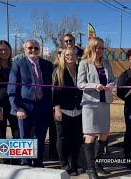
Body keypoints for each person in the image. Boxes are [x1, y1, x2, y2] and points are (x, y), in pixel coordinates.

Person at [8, 39, 53, 167]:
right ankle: (25, 163)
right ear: (25, 49)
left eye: (36, 48)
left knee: (41, 137)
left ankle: (38, 163)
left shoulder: (47, 65)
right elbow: (11, 89)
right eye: (30, 48)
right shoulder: (18, 64)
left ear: (39, 49)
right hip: (25, 108)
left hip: (43, 107)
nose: (33, 50)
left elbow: (51, 88)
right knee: (25, 137)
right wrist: (17, 108)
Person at [77, 37, 115, 179]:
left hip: (105, 102)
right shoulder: (84, 63)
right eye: (98, 47)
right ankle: (90, 168)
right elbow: (80, 83)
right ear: (92, 48)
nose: (100, 50)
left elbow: (112, 79)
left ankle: (98, 163)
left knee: (104, 133)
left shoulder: (106, 62)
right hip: (90, 104)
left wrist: (110, 85)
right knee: (90, 135)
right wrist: (95, 86)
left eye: (102, 48)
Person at [52, 48, 83, 176]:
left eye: (72, 55)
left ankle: (74, 163)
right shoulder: (58, 71)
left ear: (76, 56)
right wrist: (57, 108)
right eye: (67, 55)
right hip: (63, 110)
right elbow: (54, 92)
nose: (70, 57)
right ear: (63, 57)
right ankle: (64, 164)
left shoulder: (80, 70)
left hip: (78, 110)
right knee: (63, 138)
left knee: (76, 138)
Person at [0, 40, 20, 165]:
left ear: (10, 50)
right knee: (0, 135)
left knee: (17, 132)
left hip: (14, 106)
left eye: (6, 49)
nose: (4, 52)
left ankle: (16, 161)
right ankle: (5, 162)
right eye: (1, 49)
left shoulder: (15, 65)